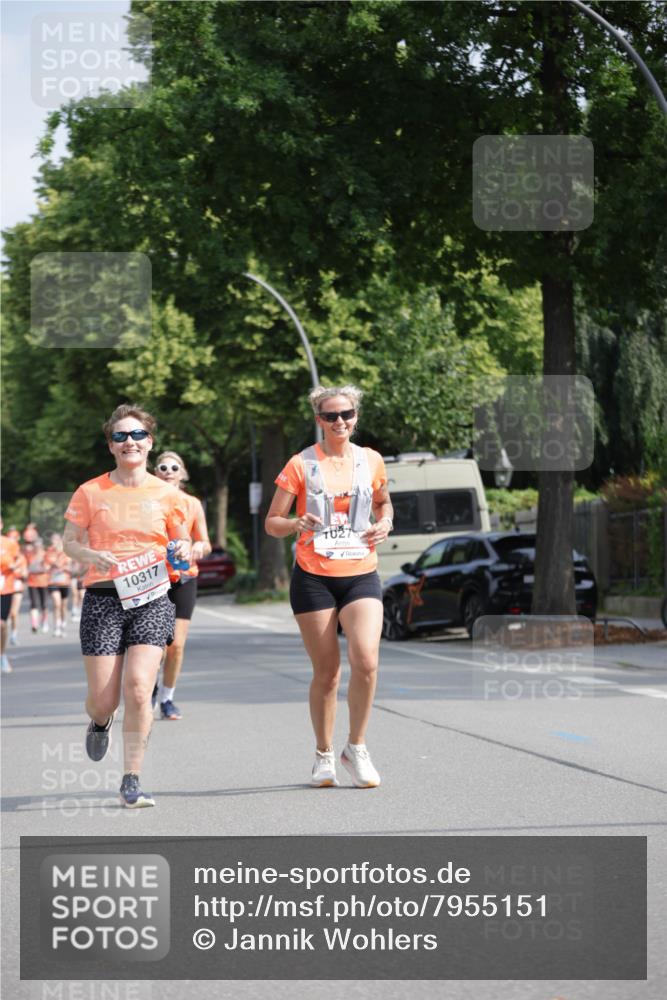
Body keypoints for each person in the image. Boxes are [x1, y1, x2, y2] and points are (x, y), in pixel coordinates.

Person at [265, 384, 393, 788]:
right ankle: (323, 754)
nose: (340, 422)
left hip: (360, 572)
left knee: (367, 660)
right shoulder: (301, 464)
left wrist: (385, 521)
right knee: (328, 672)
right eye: (331, 416)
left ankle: (355, 747)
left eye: (347, 414)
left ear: (356, 416)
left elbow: (383, 502)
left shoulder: (371, 460)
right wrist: (295, 524)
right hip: (314, 577)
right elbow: (272, 522)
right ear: (318, 420)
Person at [63, 404, 190, 808]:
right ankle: (100, 721)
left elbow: (181, 543)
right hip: (103, 598)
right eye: (120, 436)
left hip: (152, 597)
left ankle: (131, 779)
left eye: (137, 435)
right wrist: (91, 555)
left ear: (149, 442)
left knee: (138, 688)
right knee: (105, 700)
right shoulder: (91, 491)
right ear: (111, 446)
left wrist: (182, 549)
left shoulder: (168, 495)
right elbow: (68, 542)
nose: (129, 442)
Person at [152, 451, 211, 720]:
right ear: (155, 472)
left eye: (173, 467)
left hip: (185, 576)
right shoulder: (146, 502)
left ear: (182, 473)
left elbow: (206, 542)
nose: (167, 470)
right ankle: (147, 689)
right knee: (154, 644)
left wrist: (199, 545)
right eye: (162, 466)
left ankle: (167, 698)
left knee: (176, 644)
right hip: (153, 578)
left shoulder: (192, 504)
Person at [1, 517, 22, 673]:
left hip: (5, 588)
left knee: (1, 624)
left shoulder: (10, 544)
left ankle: (2, 655)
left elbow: (18, 563)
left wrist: (13, 566)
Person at [45, 533, 73, 637]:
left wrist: (64, 568)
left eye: (55, 540)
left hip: (64, 581)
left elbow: (70, 567)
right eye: (52, 540)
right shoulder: (49, 552)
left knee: (63, 606)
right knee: (56, 604)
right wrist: (51, 565)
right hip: (53, 581)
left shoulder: (66, 552)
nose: (53, 542)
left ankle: (63, 625)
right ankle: (56, 626)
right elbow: (45, 565)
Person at [26, 538, 49, 633]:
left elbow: (47, 568)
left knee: (44, 604)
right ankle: (34, 624)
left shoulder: (45, 554)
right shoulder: (29, 554)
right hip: (32, 582)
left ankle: (44, 622)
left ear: (41, 545)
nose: (37, 547)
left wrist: (36, 568)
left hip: (44, 582)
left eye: (38, 545)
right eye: (35, 545)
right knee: (34, 604)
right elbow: (26, 568)